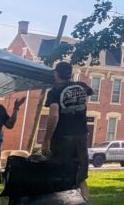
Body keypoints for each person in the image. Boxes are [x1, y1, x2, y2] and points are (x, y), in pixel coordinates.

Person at [40, 62, 94, 197]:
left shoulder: (55, 92)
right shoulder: (82, 87)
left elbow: (54, 115)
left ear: (56, 73)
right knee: (80, 177)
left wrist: (46, 139)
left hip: (63, 138)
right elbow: (89, 92)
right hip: (82, 136)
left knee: (59, 174)